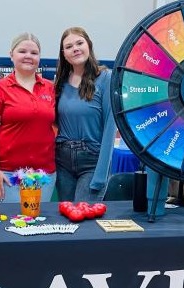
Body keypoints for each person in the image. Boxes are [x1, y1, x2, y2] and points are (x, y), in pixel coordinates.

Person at [0, 33, 56, 202]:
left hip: (44, 174)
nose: (28, 56)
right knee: (11, 225)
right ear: (11, 55)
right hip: (9, 174)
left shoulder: (50, 88)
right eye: (22, 51)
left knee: (40, 225)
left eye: (34, 53)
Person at [54, 27, 116, 202]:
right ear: (64, 53)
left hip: (92, 161)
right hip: (62, 161)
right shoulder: (60, 81)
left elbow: (110, 128)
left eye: (79, 43)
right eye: (69, 46)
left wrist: (101, 175)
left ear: (89, 45)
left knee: (83, 221)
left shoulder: (106, 78)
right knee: (65, 219)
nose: (75, 48)